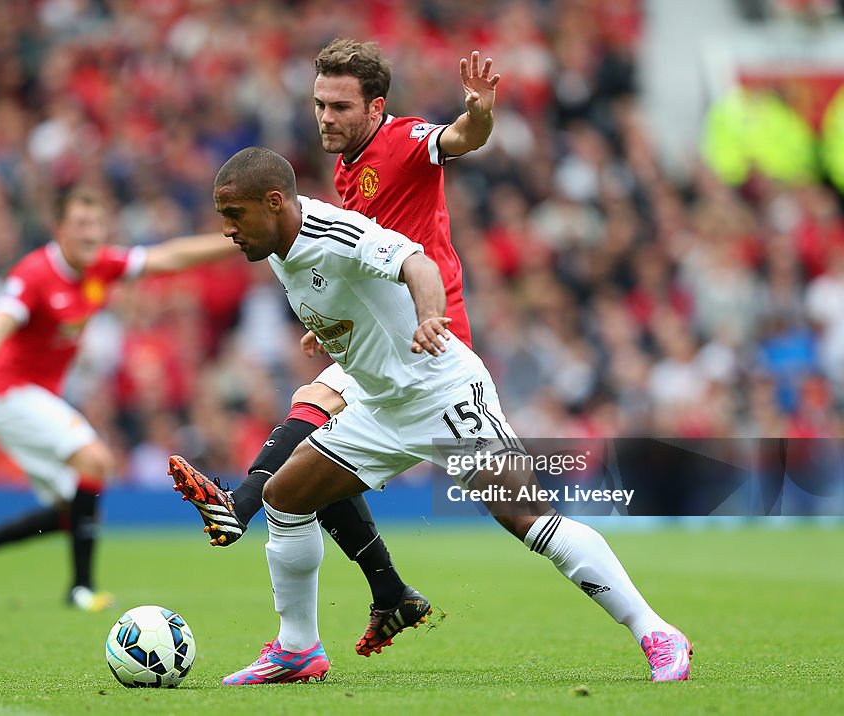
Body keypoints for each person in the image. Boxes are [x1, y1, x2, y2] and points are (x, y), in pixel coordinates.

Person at [175, 147, 692, 686]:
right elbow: (357, 297)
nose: (228, 229)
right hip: (379, 406)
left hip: (442, 393)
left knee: (529, 521)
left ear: (274, 201)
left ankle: (656, 632)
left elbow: (415, 262)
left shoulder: (331, 232)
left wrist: (428, 318)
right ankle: (298, 649)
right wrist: (332, 328)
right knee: (285, 498)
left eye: (234, 215)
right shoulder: (278, 245)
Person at [171, 38, 500, 657]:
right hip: (381, 322)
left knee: (314, 403)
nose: (325, 116)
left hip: (427, 327)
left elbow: (461, 139)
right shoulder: (348, 167)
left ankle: (239, 506)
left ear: (375, 107)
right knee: (312, 470)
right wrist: (332, 318)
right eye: (319, 104)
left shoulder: (400, 139)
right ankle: (391, 592)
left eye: (339, 105)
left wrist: (480, 111)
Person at [0, 186, 238, 611]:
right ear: (59, 229)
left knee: (76, 509)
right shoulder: (35, 273)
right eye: (80, 225)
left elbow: (168, 257)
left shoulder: (103, 265)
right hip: (9, 395)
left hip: (34, 398)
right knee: (96, 461)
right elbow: (0, 318)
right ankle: (81, 589)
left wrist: (237, 239)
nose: (90, 234)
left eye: (96, 224)